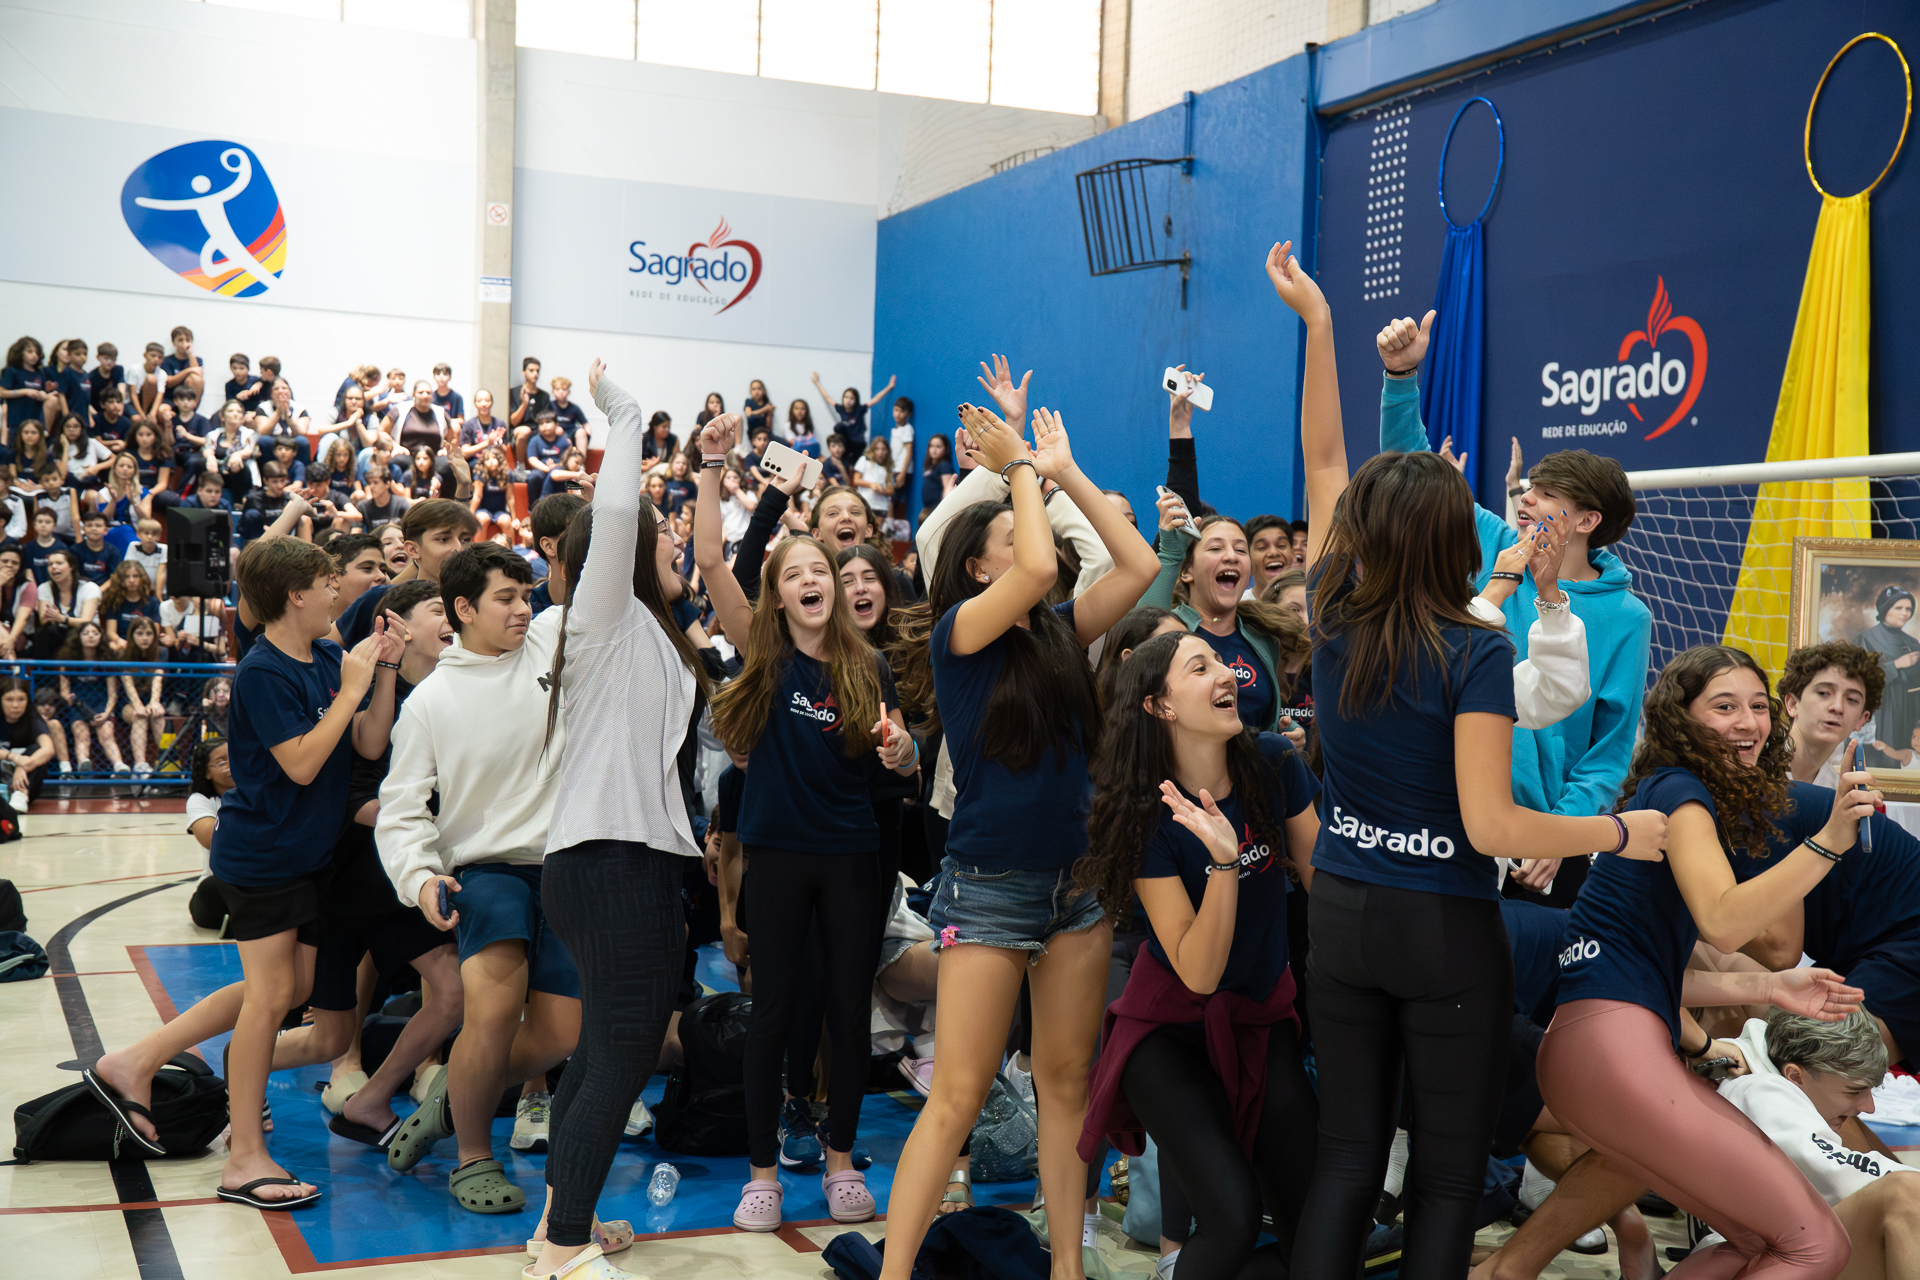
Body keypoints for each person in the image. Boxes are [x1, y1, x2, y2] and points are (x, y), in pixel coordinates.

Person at [1262, 237, 1666, 1278]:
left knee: (1348, 1159)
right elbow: (1492, 825)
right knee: (1445, 1178)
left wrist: (1319, 325)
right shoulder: (1474, 648)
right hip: (1441, 927)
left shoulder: (1333, 607)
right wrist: (1621, 830)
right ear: (1459, 538)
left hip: (1343, 916)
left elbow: (1321, 462)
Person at [877, 392, 1159, 1280]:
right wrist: (1017, 468)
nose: (1028, 538)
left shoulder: (1061, 634)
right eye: (1008, 531)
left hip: (1077, 885)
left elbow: (1141, 561)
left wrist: (1065, 470)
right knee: (957, 1096)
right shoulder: (959, 636)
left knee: (1067, 1085)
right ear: (976, 566)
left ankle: (1067, 1267)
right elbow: (1038, 566)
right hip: (990, 885)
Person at [1540, 643, 1879, 1280]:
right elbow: (1723, 923)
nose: (1748, 722)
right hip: (1614, 1047)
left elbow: (1646, 967)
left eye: (1757, 706)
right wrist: (1830, 841)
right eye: (1724, 707)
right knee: (1816, 1245)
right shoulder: (1681, 790)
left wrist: (1771, 987)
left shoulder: (1677, 794)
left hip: (1597, 1043)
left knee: (1759, 1240)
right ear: (1682, 718)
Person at [83, 536, 401, 1210]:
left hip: (307, 855)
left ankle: (134, 1061)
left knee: (292, 987)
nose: (338, 591)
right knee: (272, 995)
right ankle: (243, 1158)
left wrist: (383, 673)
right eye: (328, 581)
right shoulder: (263, 671)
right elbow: (303, 764)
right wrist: (351, 689)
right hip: (263, 857)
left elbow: (368, 742)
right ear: (296, 595)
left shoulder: (326, 656)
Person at [691, 412, 915, 1230]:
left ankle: (841, 1160)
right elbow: (709, 561)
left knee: (847, 1011)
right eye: (797, 573)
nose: (814, 580)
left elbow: (900, 758)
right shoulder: (765, 653)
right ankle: (762, 1174)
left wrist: (903, 755)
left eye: (823, 570)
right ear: (779, 593)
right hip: (780, 856)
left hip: (853, 856)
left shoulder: (870, 664)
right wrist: (713, 467)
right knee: (776, 1011)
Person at [525, 360, 711, 1280]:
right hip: (611, 864)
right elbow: (612, 514)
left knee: (605, 1050)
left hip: (623, 864)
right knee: (624, 1052)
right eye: (662, 533)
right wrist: (624, 412)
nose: (675, 543)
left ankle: (560, 1224)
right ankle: (564, 1248)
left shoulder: (646, 633)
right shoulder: (602, 614)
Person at [1377, 313, 1651, 905]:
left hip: (1541, 848)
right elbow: (1409, 477)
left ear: (1587, 520)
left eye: (1546, 494)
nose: (1525, 498)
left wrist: (1561, 832)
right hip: (1447, 813)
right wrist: (1400, 377)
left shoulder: (1628, 617)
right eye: (1529, 487)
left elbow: (1608, 753)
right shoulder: (1492, 541)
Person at [1076, 631, 1322, 1280]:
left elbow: (1324, 883)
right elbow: (1199, 972)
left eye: (1221, 662)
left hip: (1261, 1019)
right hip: (1167, 1036)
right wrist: (1223, 863)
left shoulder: (1273, 762)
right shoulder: (1145, 813)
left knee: (1317, 1231)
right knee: (1232, 1219)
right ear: (1159, 706)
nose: (1227, 673)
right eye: (1199, 666)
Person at [1701, 1011, 1920, 1279]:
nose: (1868, 1107)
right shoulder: (1760, 1093)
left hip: (1779, 1251)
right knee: (1905, 1193)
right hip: (1752, 1262)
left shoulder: (1762, 1080)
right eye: (1853, 1091)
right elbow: (1841, 1179)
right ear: (1795, 1076)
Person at [1777, 642, 1883, 782]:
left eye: (1851, 699)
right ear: (1793, 704)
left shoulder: (1836, 789)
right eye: (1823, 693)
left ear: (1861, 720)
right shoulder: (1756, 762)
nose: (1837, 707)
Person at [1856, 587, 1920, 764]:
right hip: (1881, 710)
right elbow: (1859, 678)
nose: (1905, 613)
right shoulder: (1866, 638)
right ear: (1885, 609)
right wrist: (1896, 665)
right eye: (1898, 608)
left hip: (1908, 710)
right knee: (1880, 758)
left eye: (1908, 609)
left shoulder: (1912, 642)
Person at [118, 616, 168, 774]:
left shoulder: (162, 652)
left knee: (157, 715)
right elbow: (127, 683)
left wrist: (154, 702)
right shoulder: (123, 653)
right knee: (140, 716)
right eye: (139, 634)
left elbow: (158, 678)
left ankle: (167, 762)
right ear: (132, 635)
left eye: (149, 633)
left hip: (152, 696)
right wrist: (138, 706)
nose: (145, 638)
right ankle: (140, 766)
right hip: (128, 701)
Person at [810, 370, 895, 457]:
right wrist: (817, 383)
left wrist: (889, 387)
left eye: (852, 398)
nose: (848, 400)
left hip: (858, 442)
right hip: (847, 442)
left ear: (856, 400)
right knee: (838, 427)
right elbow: (827, 398)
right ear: (843, 398)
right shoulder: (841, 409)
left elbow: (875, 399)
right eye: (846, 397)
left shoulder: (859, 409)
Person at [0, 676, 57, 804]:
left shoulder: (32, 717)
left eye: (21, 699)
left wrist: (24, 766)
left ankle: (20, 794)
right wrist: (14, 758)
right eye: (9, 699)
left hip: (24, 778)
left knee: (37, 750)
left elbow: (48, 749)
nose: (15, 705)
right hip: (3, 772)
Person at [2, 336, 54, 431]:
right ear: (20, 353)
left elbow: (43, 391)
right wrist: (25, 392)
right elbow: (2, 392)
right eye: (30, 352)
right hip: (16, 421)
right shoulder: (12, 371)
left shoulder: (40, 373)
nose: (34, 355)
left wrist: (43, 394)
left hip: (35, 420)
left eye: (37, 353)